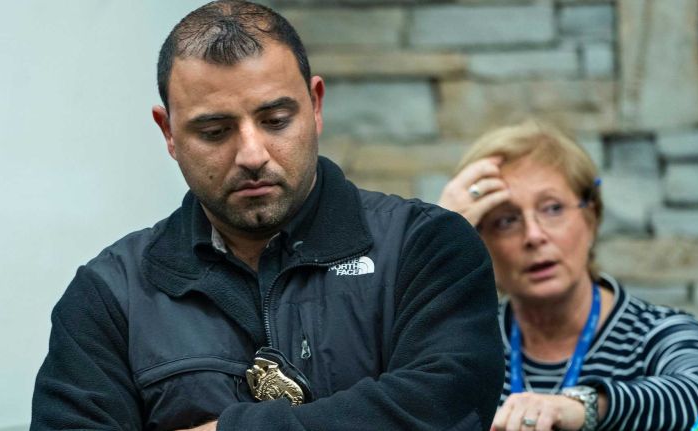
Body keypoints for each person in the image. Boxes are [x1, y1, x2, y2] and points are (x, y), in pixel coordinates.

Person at [30, 1, 505, 430]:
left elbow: (441, 411)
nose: (252, 153)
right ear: (168, 132)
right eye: (215, 131)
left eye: (276, 121)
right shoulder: (109, 297)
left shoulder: (426, 247)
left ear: (315, 106)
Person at [438, 120, 698, 431]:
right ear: (480, 244)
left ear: (591, 218)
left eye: (552, 209)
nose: (534, 235)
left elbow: (697, 393)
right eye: (506, 221)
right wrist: (440, 236)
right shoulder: (463, 345)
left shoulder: (657, 334)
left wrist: (585, 405)